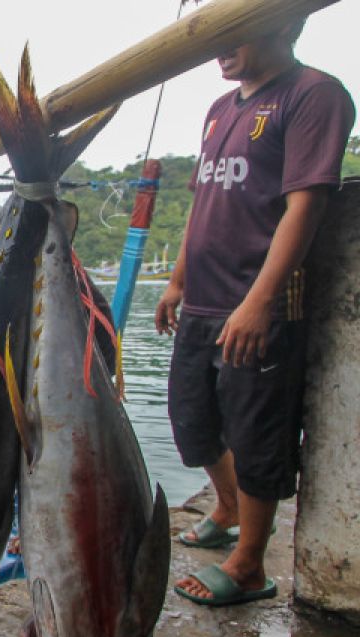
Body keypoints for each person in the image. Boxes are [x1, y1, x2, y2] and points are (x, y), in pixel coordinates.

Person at [155, 19, 354, 606]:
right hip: (202, 299)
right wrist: (176, 281)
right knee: (191, 419)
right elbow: (205, 200)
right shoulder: (220, 109)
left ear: (283, 22)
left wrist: (260, 301)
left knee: (257, 434)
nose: (220, 47)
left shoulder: (313, 94)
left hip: (258, 301)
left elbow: (305, 205)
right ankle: (227, 505)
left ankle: (249, 564)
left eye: (235, 30)